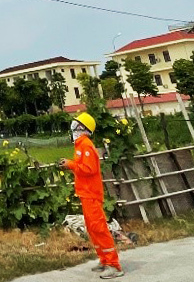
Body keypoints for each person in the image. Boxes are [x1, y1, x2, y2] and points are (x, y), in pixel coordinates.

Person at [59, 112, 124, 279]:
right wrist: (71, 164)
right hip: (86, 193)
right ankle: (104, 260)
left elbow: (89, 170)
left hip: (91, 194)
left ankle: (114, 265)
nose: (73, 127)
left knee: (99, 229)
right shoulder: (80, 145)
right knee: (93, 229)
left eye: (76, 124)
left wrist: (70, 164)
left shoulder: (86, 146)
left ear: (83, 128)